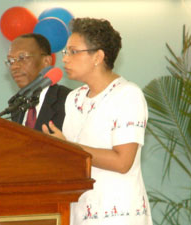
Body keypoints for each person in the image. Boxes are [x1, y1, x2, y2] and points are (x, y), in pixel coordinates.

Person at [42, 18, 153, 225]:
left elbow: (122, 162)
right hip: (79, 211)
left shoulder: (127, 95)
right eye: (65, 52)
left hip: (119, 214)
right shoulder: (74, 98)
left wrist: (67, 147)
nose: (64, 59)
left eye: (73, 52)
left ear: (98, 56)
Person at [5, 33, 71, 131]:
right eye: (10, 61)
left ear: (46, 62)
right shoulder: (17, 105)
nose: (14, 67)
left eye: (22, 58)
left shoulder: (67, 100)